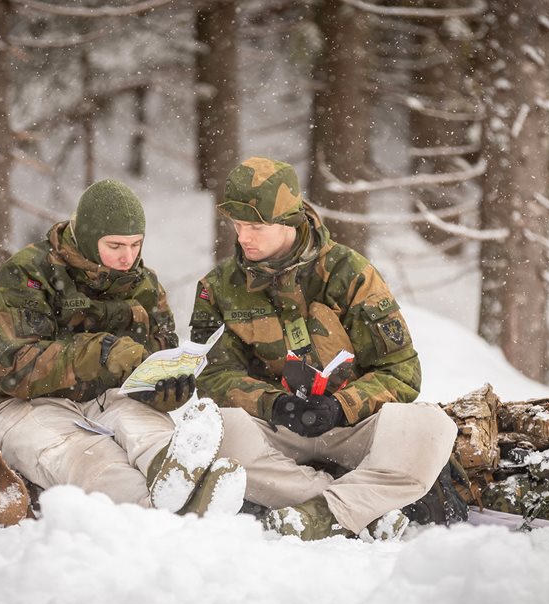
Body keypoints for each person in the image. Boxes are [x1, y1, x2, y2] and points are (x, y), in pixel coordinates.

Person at [189, 157, 458, 540]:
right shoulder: (217, 287)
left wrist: (341, 406)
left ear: (288, 222)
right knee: (213, 432)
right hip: (275, 432)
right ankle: (355, 508)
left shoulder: (349, 273)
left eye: (255, 226)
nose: (242, 237)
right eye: (237, 225)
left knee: (432, 426)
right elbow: (211, 375)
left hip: (351, 428)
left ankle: (317, 511)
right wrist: (274, 404)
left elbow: (400, 371)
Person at [0, 179, 244, 517]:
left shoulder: (145, 286)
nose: (128, 258)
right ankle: (155, 510)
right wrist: (102, 353)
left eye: (136, 244)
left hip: (108, 397)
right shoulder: (28, 274)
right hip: (17, 404)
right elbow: (12, 367)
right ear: (88, 239)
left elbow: (158, 356)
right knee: (84, 455)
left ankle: (182, 472)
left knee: (145, 427)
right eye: (115, 246)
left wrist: (167, 390)